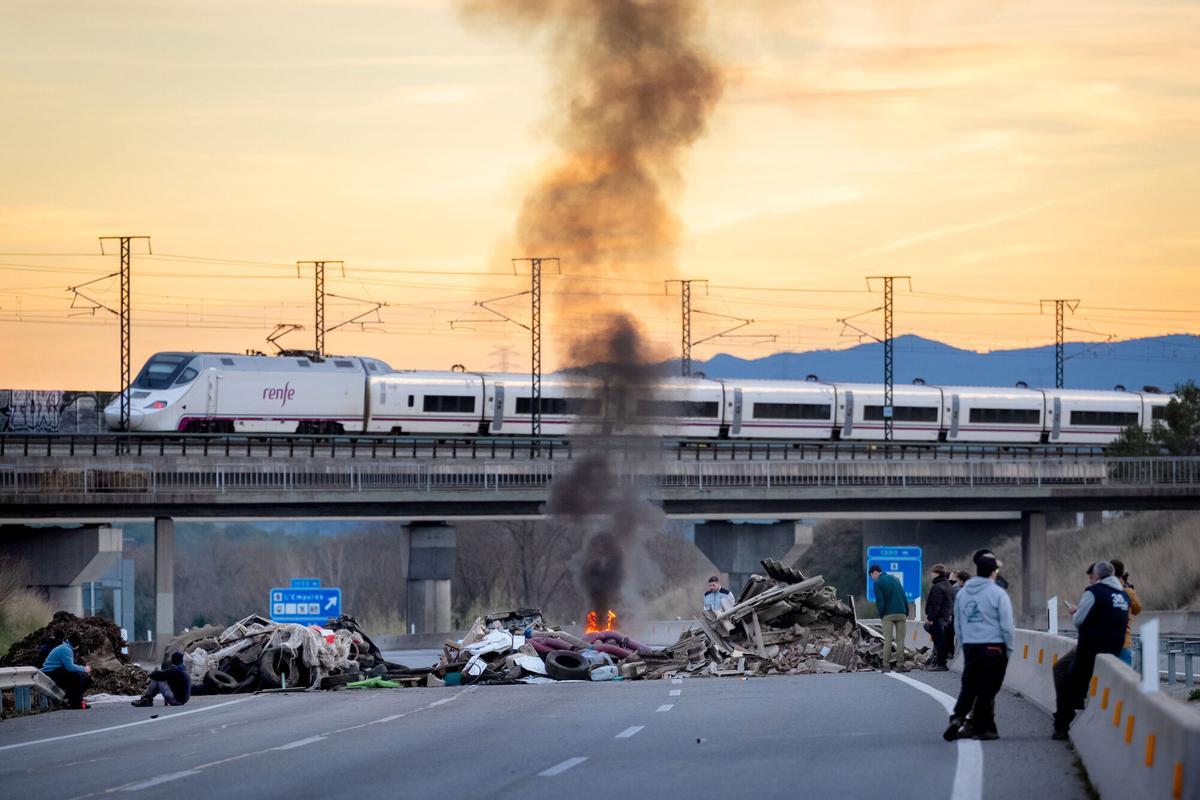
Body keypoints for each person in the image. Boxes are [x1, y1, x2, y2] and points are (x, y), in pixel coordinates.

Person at [1052, 561, 1130, 740]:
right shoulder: (1123, 596)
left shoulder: (1093, 592)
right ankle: (1071, 707)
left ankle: (1062, 723)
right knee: (1071, 677)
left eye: (1091, 576)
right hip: (1114, 648)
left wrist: (1075, 612)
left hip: (1089, 648)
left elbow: (1079, 620)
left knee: (1062, 671)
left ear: (1096, 576)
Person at [945, 555, 1014, 741]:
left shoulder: (964, 593)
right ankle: (983, 729)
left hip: (970, 646)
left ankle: (958, 717)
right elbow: (1007, 626)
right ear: (993, 572)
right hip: (993, 646)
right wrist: (1009, 649)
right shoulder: (998, 593)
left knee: (969, 686)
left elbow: (958, 623)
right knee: (988, 689)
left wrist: (964, 643)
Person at [870, 564, 909, 672]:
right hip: (901, 613)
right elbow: (903, 595)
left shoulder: (878, 582)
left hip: (888, 615)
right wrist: (906, 611)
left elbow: (880, 601)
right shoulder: (895, 578)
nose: (872, 578)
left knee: (888, 640)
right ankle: (900, 665)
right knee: (900, 640)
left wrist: (881, 614)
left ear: (874, 572)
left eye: (871, 576)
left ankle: (886, 666)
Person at [41, 632, 92, 710]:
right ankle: (76, 704)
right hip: (51, 672)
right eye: (78, 645)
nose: (78, 647)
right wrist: (84, 669)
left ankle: (73, 701)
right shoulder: (66, 649)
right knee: (76, 676)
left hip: (53, 671)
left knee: (82, 677)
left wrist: (82, 670)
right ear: (75, 644)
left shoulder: (64, 647)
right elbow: (70, 667)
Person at [1109, 559, 1142, 666]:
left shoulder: (1104, 590)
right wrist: (1131, 591)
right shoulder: (1128, 592)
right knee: (1124, 678)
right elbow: (1137, 609)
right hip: (1124, 641)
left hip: (1106, 642)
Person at [924, 564, 955, 671]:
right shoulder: (947, 585)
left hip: (938, 618)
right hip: (946, 617)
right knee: (942, 641)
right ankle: (939, 662)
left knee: (939, 642)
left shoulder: (937, 586)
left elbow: (935, 605)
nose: (931, 574)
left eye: (932, 572)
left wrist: (930, 618)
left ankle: (941, 664)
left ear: (937, 573)